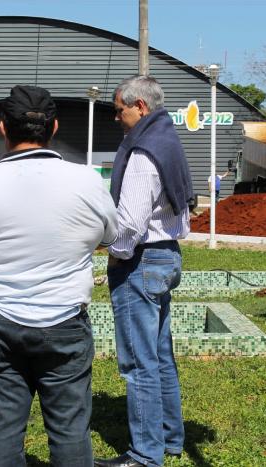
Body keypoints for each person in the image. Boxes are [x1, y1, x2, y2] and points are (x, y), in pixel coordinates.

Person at [0, 85, 117, 467]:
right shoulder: (87, 180)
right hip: (64, 321)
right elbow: (112, 234)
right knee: (71, 430)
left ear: (4, 128)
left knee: (1, 430)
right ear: (54, 127)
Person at [94, 75, 194, 467]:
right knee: (159, 355)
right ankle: (170, 439)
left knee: (138, 363)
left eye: (119, 110)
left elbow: (131, 223)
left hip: (141, 260)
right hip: (166, 255)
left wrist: (115, 253)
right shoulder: (168, 141)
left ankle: (145, 453)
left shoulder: (141, 153)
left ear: (140, 107)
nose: (117, 118)